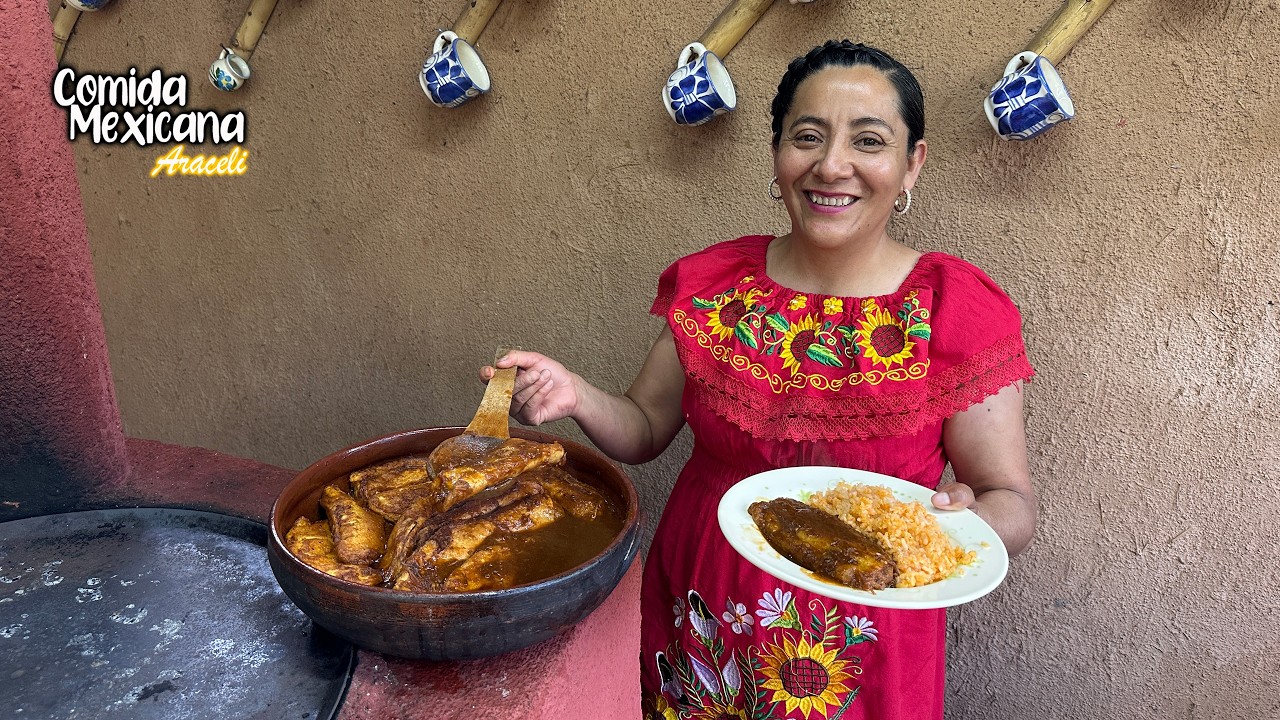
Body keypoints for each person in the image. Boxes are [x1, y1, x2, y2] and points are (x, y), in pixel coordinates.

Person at [482, 40, 1036, 719]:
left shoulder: (954, 310)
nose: (832, 165)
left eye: (869, 140)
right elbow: (646, 426)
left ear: (912, 163)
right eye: (808, 136)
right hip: (704, 598)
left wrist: (966, 527)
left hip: (861, 628)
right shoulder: (716, 285)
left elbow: (1010, 500)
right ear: (777, 156)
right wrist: (576, 394)